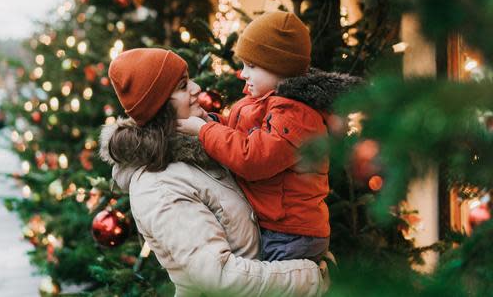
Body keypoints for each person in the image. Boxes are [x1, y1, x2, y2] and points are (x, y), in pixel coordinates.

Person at [99, 48, 328, 297]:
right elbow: (219, 277)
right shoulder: (159, 186)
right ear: (160, 106)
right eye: (183, 85)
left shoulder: (207, 148)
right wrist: (311, 276)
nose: (197, 88)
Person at [177, 11, 360, 262]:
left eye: (251, 66)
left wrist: (204, 131)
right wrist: (211, 123)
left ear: (280, 68)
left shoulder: (295, 115)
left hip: (292, 234)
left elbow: (253, 159)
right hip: (276, 227)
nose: (242, 74)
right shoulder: (264, 103)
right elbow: (239, 134)